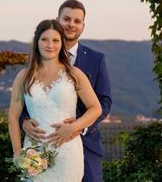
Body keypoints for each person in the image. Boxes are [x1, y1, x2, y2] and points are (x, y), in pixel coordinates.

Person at [22, 0, 112, 182]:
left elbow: (104, 102)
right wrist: (23, 120)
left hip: (85, 145)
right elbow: (27, 99)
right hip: (40, 145)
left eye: (77, 21)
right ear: (57, 20)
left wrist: (78, 127)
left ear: (83, 26)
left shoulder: (96, 59)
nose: (71, 24)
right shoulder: (36, 61)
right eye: (67, 19)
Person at [8, 19, 102, 181]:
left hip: (68, 152)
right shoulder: (23, 77)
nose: (49, 45)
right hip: (34, 152)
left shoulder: (74, 74)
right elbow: (13, 117)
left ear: (62, 43)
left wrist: (74, 127)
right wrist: (18, 153)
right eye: (44, 39)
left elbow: (96, 108)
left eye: (55, 40)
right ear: (36, 42)